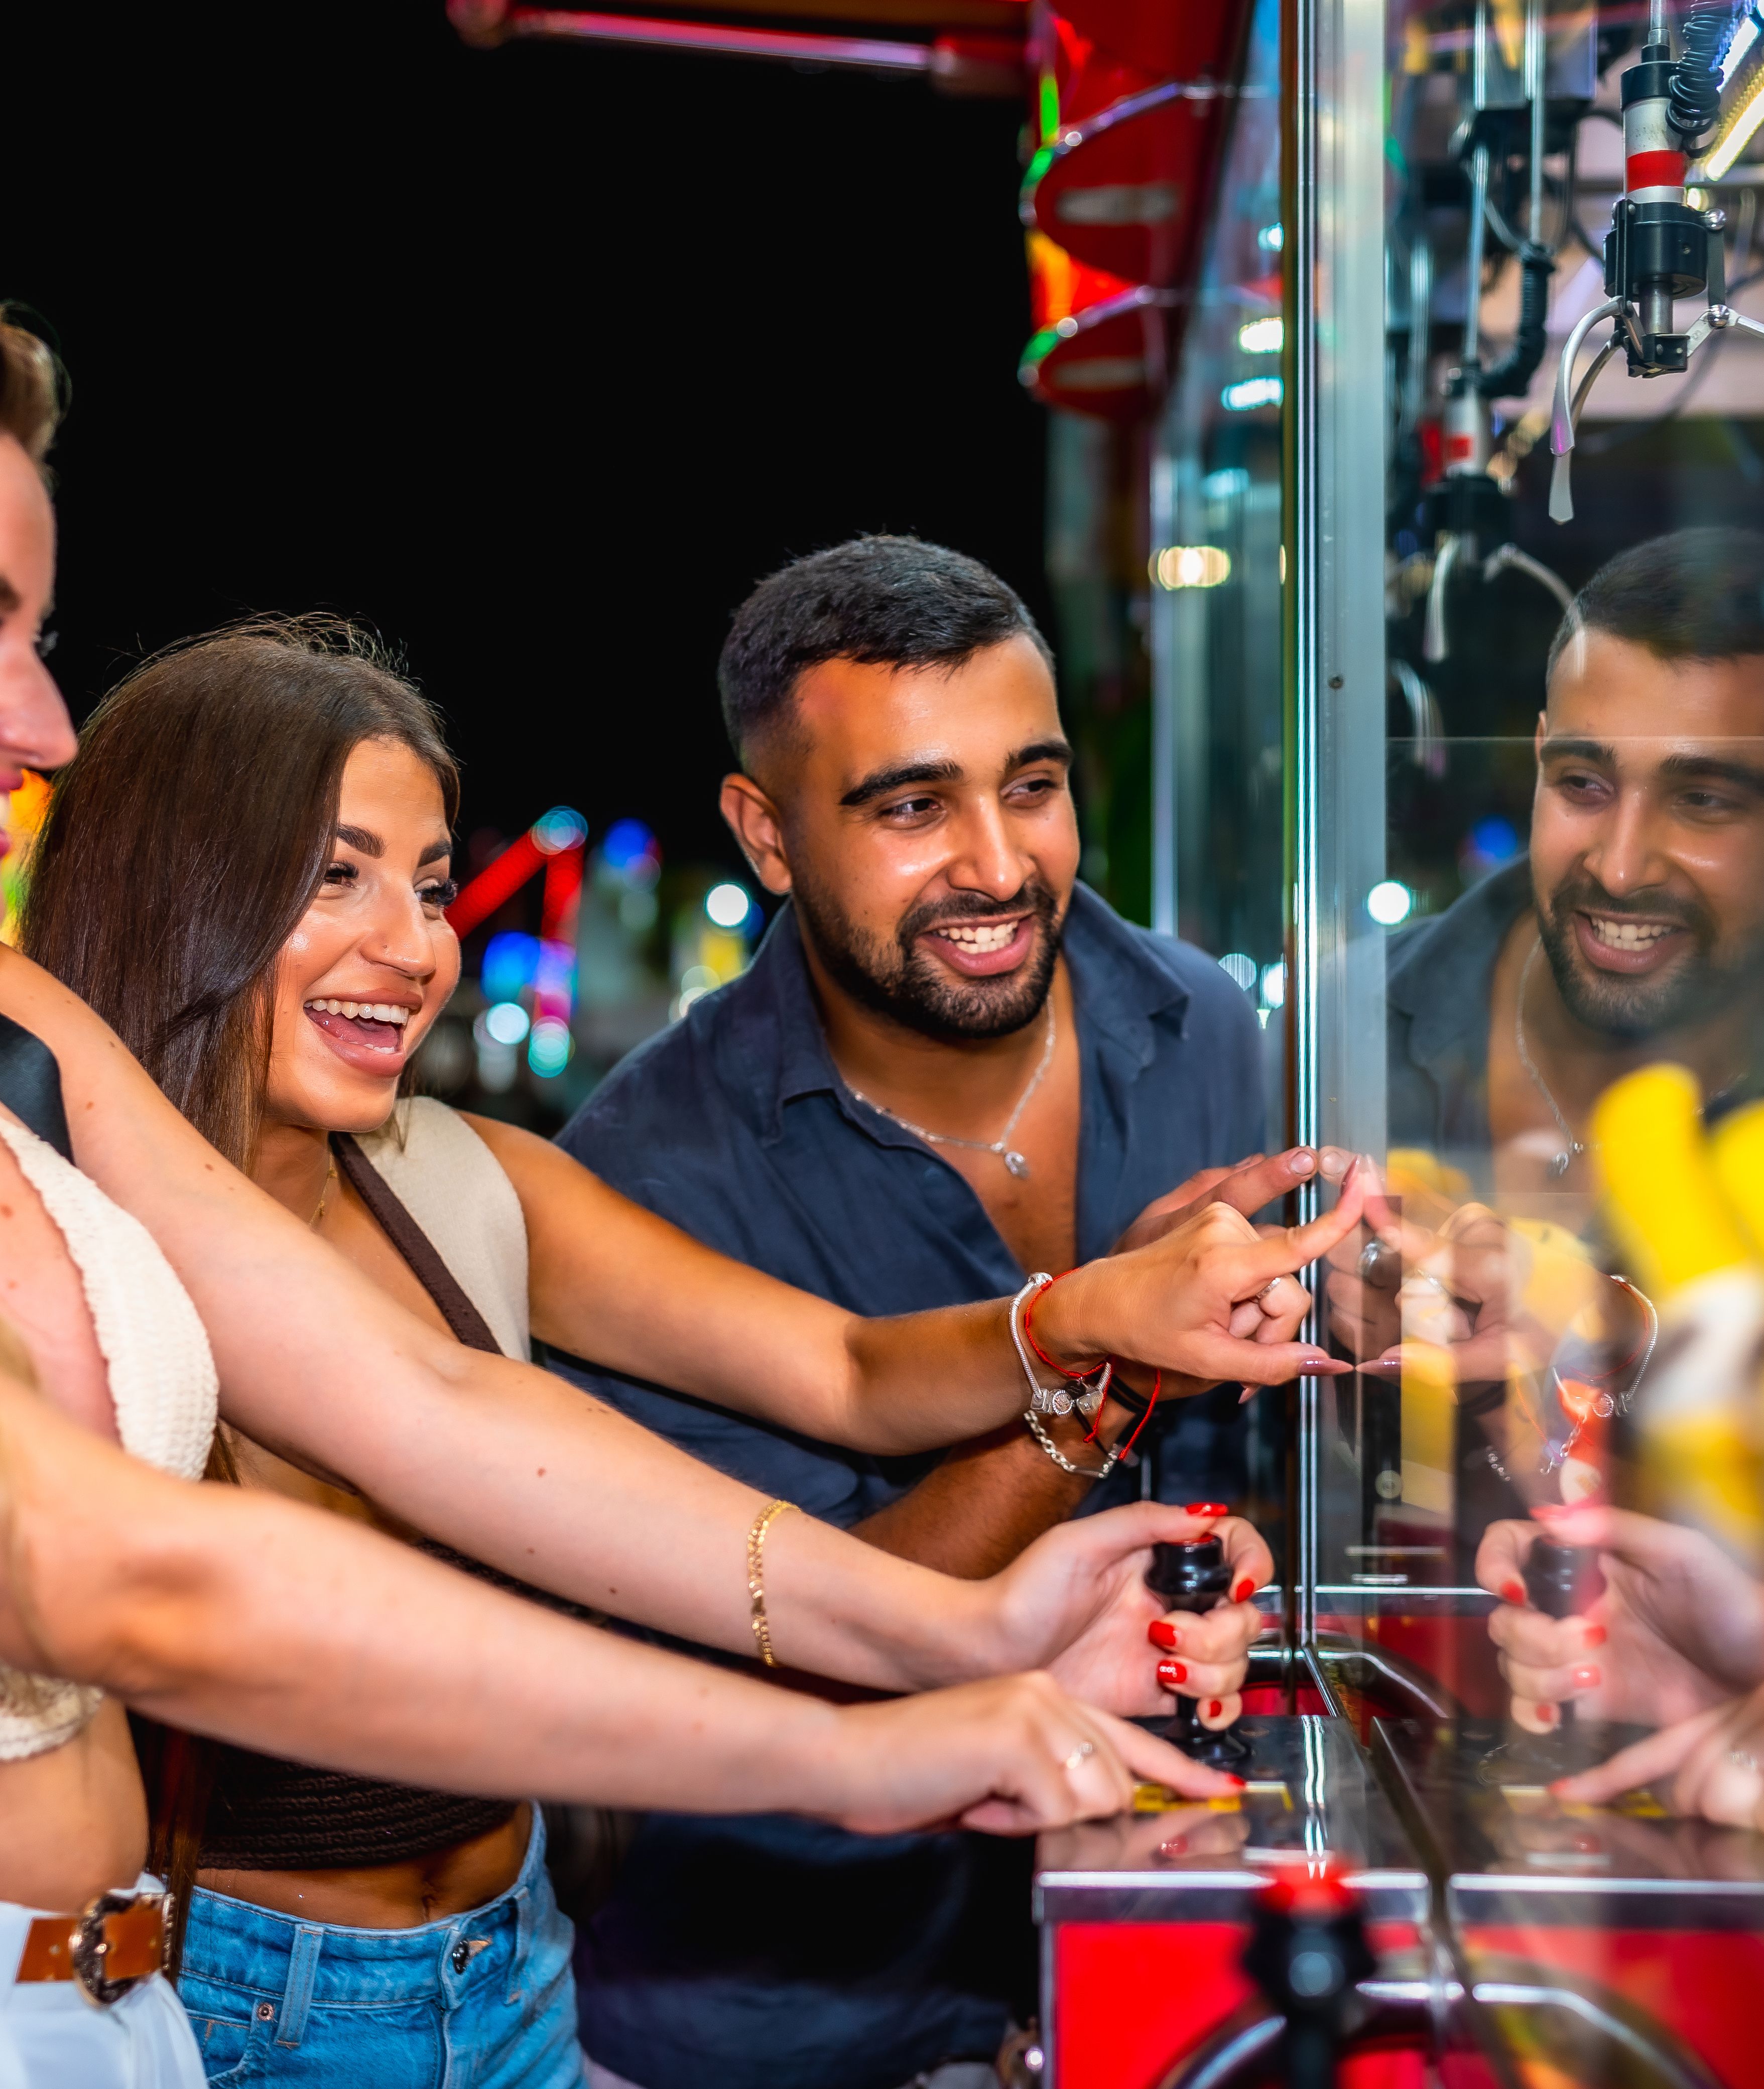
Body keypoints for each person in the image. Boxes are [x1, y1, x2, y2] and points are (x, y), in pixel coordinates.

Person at [0, 283, 1291, 2089]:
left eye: (33, 639)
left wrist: (966, 1629)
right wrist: (864, 1749)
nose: (44, 726)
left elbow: (429, 1403)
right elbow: (148, 1582)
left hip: (94, 2019)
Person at [10, 615, 1359, 2086]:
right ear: (175, 886)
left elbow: (842, 1367)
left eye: (432, 885)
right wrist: (924, 1687)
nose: (412, 948)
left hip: (516, 1972)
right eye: (336, 876)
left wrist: (1086, 1325)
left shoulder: (470, 1179)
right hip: (231, 1997)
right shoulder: (47, 1242)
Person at [545, 536, 1301, 2089]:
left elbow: (1269, 1482)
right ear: (765, 835)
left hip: (1171, 1955)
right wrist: (1105, 1364)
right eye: (911, 807)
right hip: (801, 2010)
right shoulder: (644, 1170)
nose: (997, 864)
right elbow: (782, 1645)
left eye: (1031, 785)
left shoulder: (1203, 1025)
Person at [1384, 526, 1764, 1210]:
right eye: (1583, 784)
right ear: (1539, 759)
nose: (1619, 871)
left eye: (1703, 801)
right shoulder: (1334, 1030)